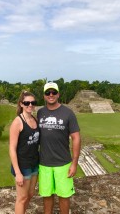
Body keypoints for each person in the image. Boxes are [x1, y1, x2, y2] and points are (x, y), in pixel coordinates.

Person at [37, 82, 81, 214]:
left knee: (64, 196)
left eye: (53, 92)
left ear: (58, 94)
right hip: (44, 163)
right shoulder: (40, 112)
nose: (51, 95)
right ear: (44, 96)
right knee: (47, 195)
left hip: (63, 163)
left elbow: (76, 138)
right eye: (48, 93)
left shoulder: (68, 113)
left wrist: (74, 163)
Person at [9, 91, 39, 214]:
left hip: (34, 163)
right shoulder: (18, 122)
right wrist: (18, 172)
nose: (30, 105)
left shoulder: (34, 119)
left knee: (30, 194)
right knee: (22, 198)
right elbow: (12, 148)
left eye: (33, 102)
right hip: (23, 166)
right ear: (21, 104)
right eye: (27, 102)